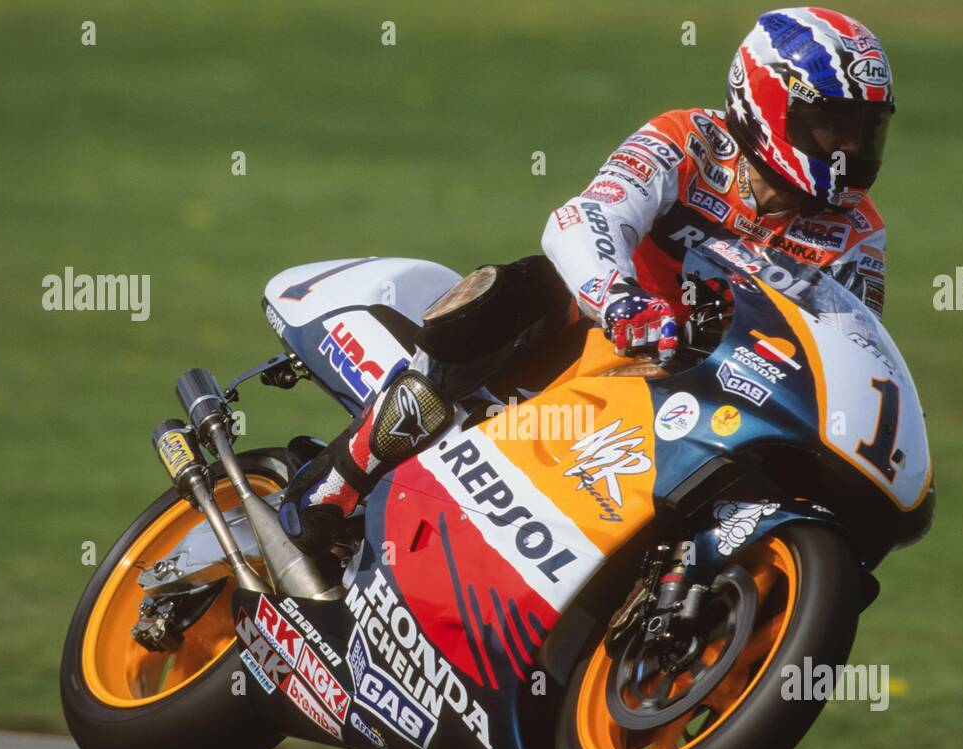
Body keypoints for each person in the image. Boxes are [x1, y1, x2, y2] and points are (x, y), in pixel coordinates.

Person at [280, 6, 895, 557]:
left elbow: (846, 352)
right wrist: (619, 299)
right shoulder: (686, 140)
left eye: (864, 129)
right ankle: (340, 480)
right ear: (766, 103)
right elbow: (587, 217)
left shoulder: (858, 233)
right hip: (609, 333)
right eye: (832, 123)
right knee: (513, 292)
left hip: (714, 388)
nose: (849, 145)